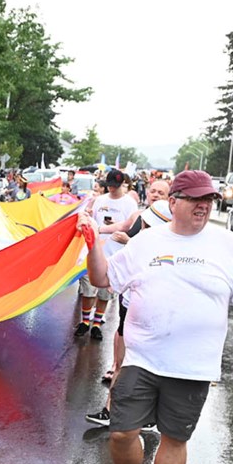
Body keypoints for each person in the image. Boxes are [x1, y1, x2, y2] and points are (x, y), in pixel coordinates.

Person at [78, 169, 233, 464]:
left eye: (208, 200)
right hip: (142, 358)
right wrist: (92, 243)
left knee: (175, 439)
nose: (203, 206)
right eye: (195, 199)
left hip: (193, 367)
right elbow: (102, 278)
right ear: (173, 202)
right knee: (121, 433)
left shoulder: (228, 244)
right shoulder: (148, 241)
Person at [86, 178, 171, 427]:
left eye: (161, 192)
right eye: (153, 190)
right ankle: (110, 410)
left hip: (153, 313)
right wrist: (95, 231)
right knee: (123, 361)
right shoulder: (138, 216)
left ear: (172, 198)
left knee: (146, 366)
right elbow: (104, 274)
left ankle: (145, 415)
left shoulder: (170, 239)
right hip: (129, 305)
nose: (155, 194)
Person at [74, 169, 138, 341]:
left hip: (114, 255)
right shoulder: (99, 200)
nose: (111, 189)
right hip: (94, 252)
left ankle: (96, 323)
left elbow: (131, 227)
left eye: (115, 186)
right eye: (109, 185)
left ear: (122, 185)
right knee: (88, 290)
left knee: (105, 293)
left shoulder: (130, 204)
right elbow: (91, 220)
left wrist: (115, 225)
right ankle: (85, 321)